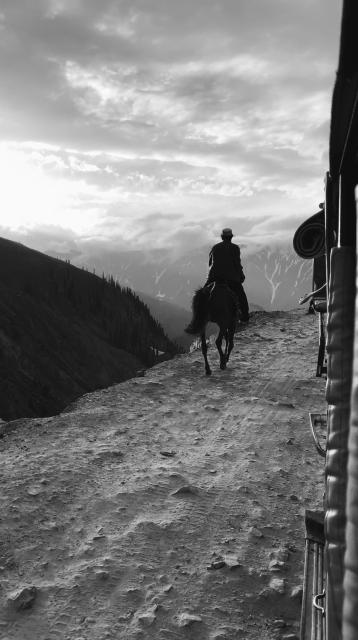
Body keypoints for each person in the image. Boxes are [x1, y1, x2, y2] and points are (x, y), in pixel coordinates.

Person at [185, 228, 250, 334]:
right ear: (231, 237)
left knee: (200, 295)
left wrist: (208, 281)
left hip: (214, 278)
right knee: (241, 295)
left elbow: (210, 265)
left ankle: (196, 320)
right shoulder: (235, 248)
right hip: (231, 279)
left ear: (222, 237)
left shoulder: (215, 248)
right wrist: (241, 276)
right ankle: (245, 317)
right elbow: (237, 264)